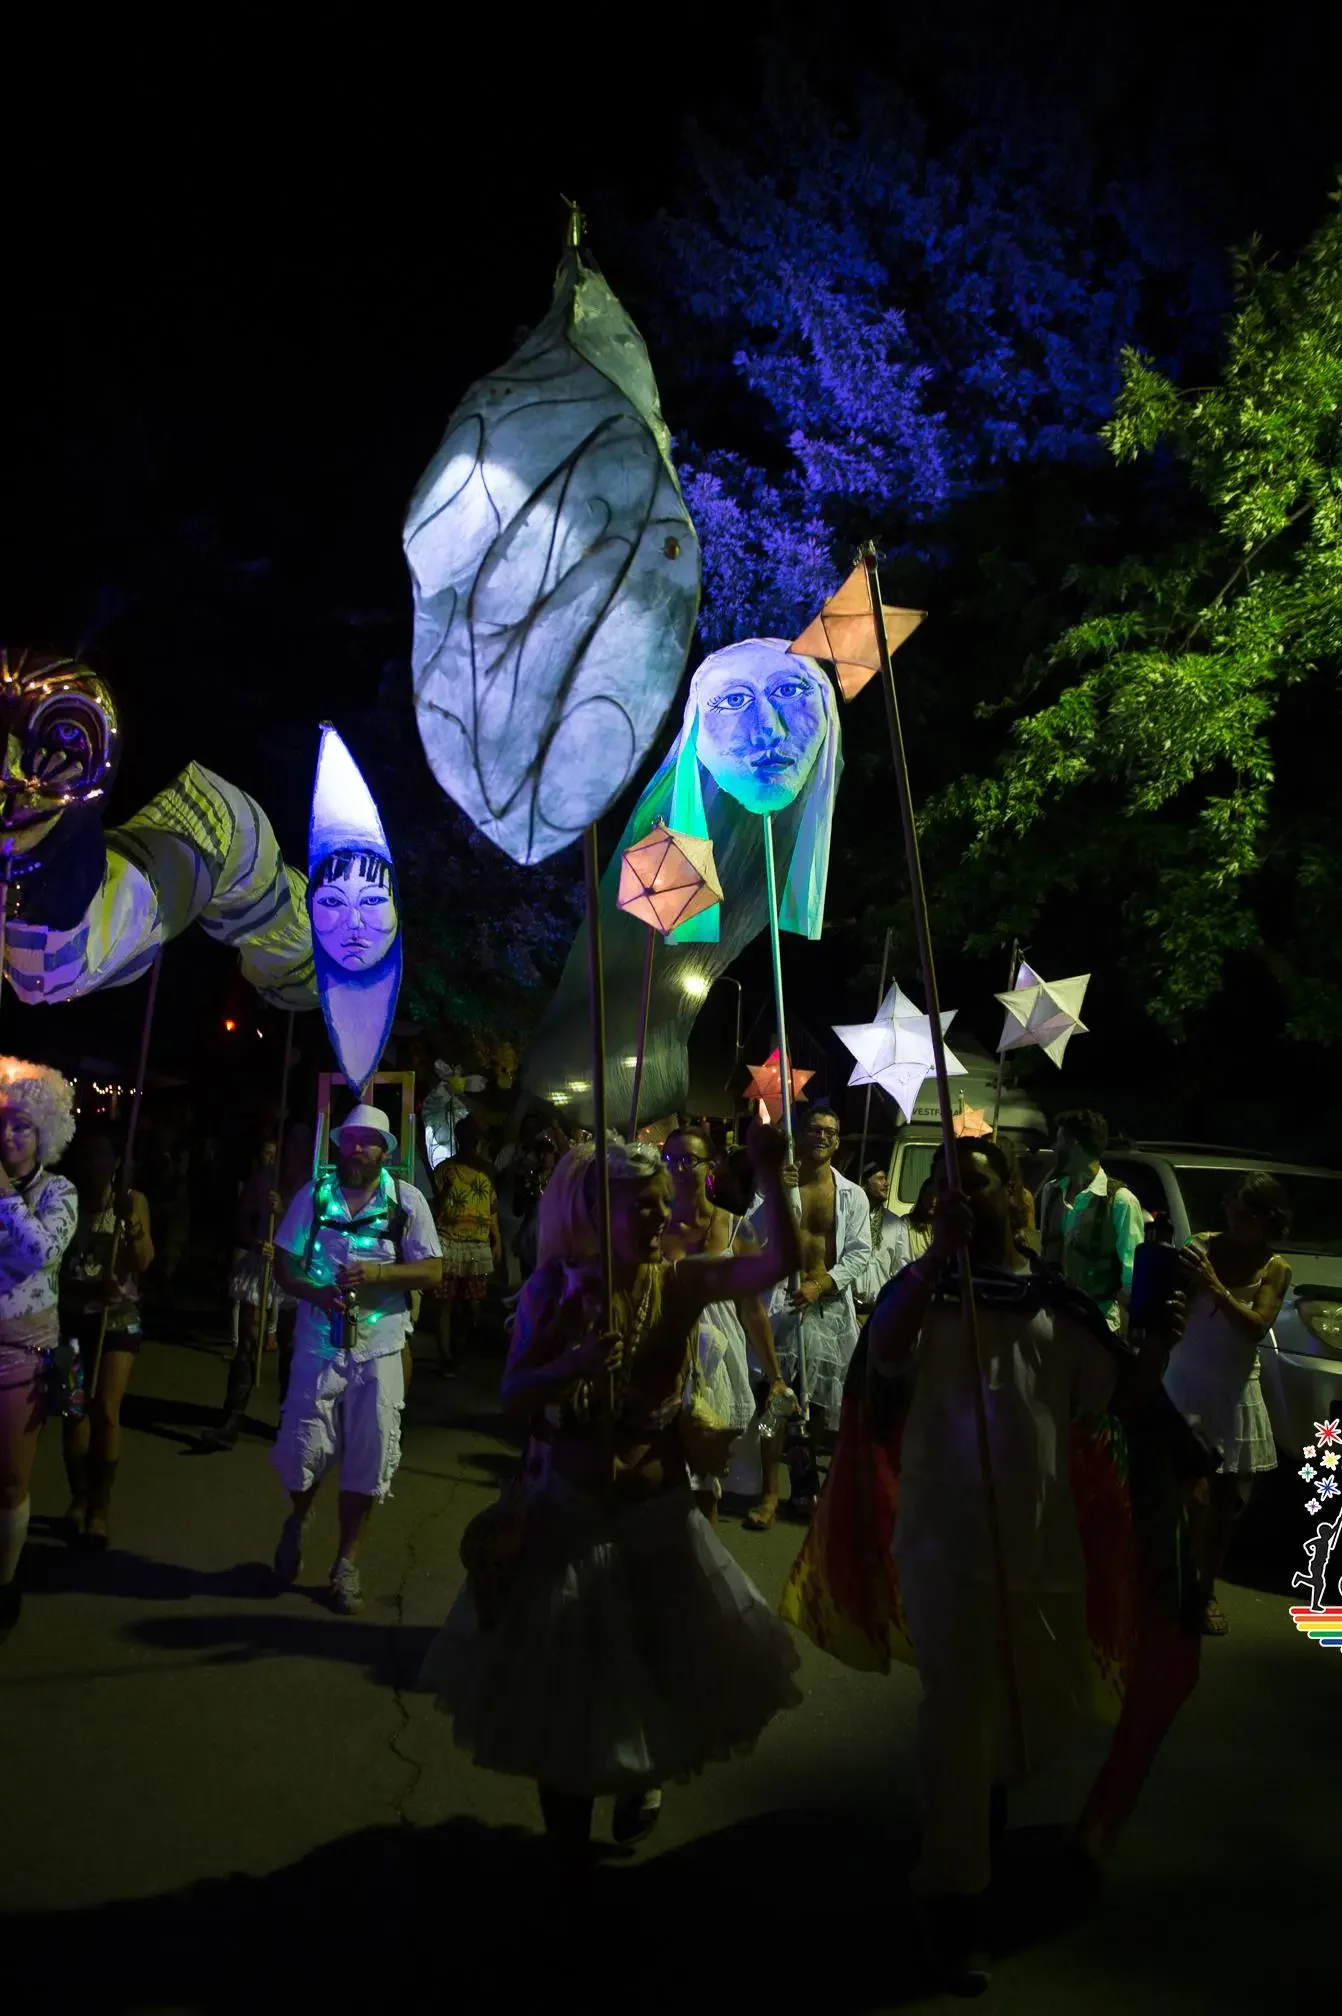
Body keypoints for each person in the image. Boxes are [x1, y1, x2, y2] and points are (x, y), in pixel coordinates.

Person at [421, 1124, 803, 1847]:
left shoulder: (683, 1284)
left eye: (664, 1203)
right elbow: (513, 1396)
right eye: (644, 1206)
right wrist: (569, 1368)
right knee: (565, 1708)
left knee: (653, 1679)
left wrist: (770, 1173)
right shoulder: (551, 1291)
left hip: (655, 1522)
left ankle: (642, 1780)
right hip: (564, 1523)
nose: (662, 1217)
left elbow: (775, 1263)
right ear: (598, 1214)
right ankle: (565, 1858)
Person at [865, 1141, 1132, 1988]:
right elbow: (884, 1353)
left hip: (1036, 1545)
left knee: (1019, 1711)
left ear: (1016, 1197)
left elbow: (1109, 1397)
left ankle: (972, 1850)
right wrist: (937, 1258)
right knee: (961, 1714)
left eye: (973, 1186)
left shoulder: (1056, 1301)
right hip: (946, 1542)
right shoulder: (927, 1294)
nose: (958, 1200)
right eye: (943, 1188)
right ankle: (952, 1903)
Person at [270, 1105, 442, 1614]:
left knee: (368, 1460)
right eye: (351, 1141)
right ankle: (298, 1520)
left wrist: (378, 1277)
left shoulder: (406, 1201)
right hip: (319, 1345)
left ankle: (346, 1562)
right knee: (305, 1450)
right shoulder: (315, 1195)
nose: (358, 1150)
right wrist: (316, 1291)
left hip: (381, 1347)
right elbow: (284, 1264)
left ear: (385, 1152)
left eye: (369, 1142)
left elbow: (433, 1270)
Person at [1163, 1174, 1290, 1635]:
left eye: (1246, 1215)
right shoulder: (1202, 1245)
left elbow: (1256, 1325)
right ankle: (1173, 1582)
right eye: (1231, 1211)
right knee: (1186, 1493)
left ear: (1267, 1220)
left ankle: (1205, 1588)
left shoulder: (1275, 1267)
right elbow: (1172, 1298)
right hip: (1186, 1380)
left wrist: (1215, 1285)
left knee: (1222, 1502)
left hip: (1234, 1390)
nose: (1234, 1222)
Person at [659, 1123, 788, 1524]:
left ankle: (702, 1563)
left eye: (689, 1161)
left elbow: (752, 1309)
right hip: (667, 1351)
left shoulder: (737, 1227)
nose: (679, 1169)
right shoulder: (653, 1224)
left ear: (710, 1166)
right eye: (670, 1160)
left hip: (718, 1360)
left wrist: (776, 1375)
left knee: (704, 1482)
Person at [751, 1101, 871, 1522]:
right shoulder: (775, 1184)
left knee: (818, 1407)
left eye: (830, 1132)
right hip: (783, 1306)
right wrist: (777, 1195)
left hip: (829, 1310)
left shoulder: (852, 1195)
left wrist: (821, 1284)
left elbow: (860, 1252)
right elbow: (751, 1235)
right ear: (799, 1136)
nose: (822, 1136)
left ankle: (804, 1488)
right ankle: (767, 1492)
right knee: (774, 1403)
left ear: (838, 1143)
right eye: (815, 1129)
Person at [0, 1060, 80, 1638]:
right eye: (4, 1124)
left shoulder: (60, 1191)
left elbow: (42, 1253)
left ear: (44, 1134)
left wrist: (5, 1197)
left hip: (22, 1355)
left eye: (23, 1126)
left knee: (10, 1478)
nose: (9, 1136)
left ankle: (4, 1584)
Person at [59, 1131, 155, 1546]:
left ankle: (101, 1503)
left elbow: (146, 1261)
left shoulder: (132, 1201)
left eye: (104, 1156)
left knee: (106, 1409)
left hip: (118, 1319)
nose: (96, 1165)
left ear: (117, 1162)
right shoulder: (63, 1201)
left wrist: (131, 1227)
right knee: (73, 1409)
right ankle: (78, 1496)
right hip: (73, 1317)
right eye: (89, 1157)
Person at [197, 1124, 308, 1452]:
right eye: (292, 1145)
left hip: (294, 1266)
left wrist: (284, 1213)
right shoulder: (263, 1179)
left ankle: (290, 1421)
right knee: (248, 1337)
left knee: (290, 1344)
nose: (295, 1153)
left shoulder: (313, 1185)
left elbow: (316, 1232)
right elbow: (241, 1222)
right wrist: (257, 1242)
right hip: (262, 1263)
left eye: (302, 1147)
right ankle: (232, 1419)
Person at [1037, 1109, 1143, 1330]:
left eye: (1059, 1141)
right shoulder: (1052, 1191)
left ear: (1074, 1146)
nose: (1055, 1149)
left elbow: (1131, 1279)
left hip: (1099, 1327)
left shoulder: (1121, 1201)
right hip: (1053, 1321)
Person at [431, 1116, 501, 1379]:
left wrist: (498, 1240)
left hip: (478, 1244)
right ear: (460, 1139)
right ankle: (446, 1356)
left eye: (475, 1136)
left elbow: (493, 1209)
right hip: (448, 1241)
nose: (472, 1142)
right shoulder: (445, 1169)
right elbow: (435, 1207)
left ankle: (459, 1349)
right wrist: (444, 1191)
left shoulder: (487, 1170)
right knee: (445, 1301)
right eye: (467, 1136)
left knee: (472, 1304)